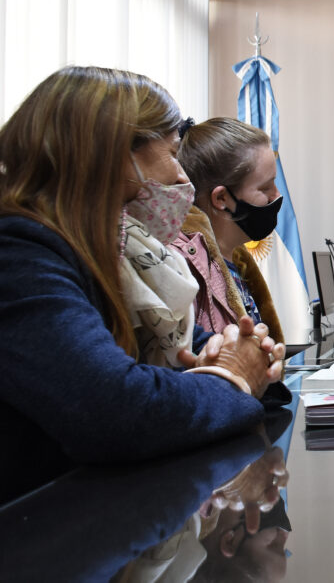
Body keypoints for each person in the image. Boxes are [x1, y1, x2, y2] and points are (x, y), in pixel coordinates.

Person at [0, 66, 284, 502]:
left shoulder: (120, 252)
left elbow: (194, 343)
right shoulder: (19, 252)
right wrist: (235, 379)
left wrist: (241, 352)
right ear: (109, 157)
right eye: (171, 152)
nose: (180, 176)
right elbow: (114, 411)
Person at [172, 117, 284, 341]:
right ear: (222, 198)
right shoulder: (183, 268)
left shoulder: (238, 264)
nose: (277, 195)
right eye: (265, 187)